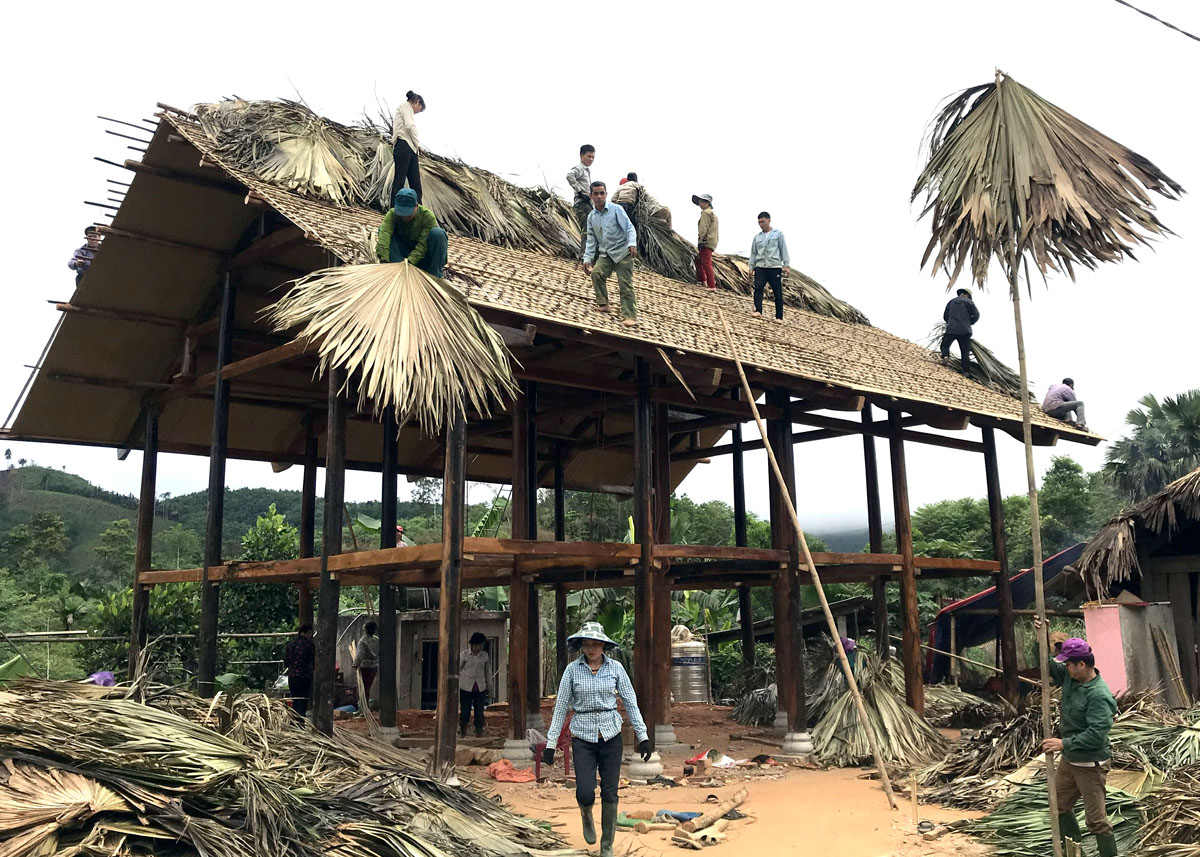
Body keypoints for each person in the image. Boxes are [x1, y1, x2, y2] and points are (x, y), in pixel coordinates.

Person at [543, 622, 652, 857]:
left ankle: (607, 845)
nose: (591, 649)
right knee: (584, 790)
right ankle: (586, 814)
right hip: (582, 735)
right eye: (587, 644)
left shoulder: (616, 669)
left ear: (603, 645)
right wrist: (551, 744)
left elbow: (630, 702)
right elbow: (560, 707)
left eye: (595, 644)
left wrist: (643, 736)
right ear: (581, 646)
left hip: (611, 734)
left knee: (610, 791)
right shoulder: (572, 671)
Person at [1033, 618, 1119, 857]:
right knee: (1058, 806)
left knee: (1097, 820)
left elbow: (1095, 735)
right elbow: (1049, 666)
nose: (1066, 669)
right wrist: (1042, 636)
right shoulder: (1072, 677)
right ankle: (1074, 852)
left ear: (1081, 664)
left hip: (1090, 764)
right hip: (1070, 761)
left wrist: (1063, 743)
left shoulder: (1099, 696)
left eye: (1069, 665)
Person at [582, 181, 640, 327]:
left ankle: (629, 315)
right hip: (606, 253)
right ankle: (603, 304)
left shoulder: (616, 209)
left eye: (602, 193)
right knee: (597, 273)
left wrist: (632, 243)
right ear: (591, 196)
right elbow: (591, 239)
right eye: (596, 194)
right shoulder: (591, 217)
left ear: (606, 194)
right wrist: (587, 258)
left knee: (625, 284)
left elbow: (629, 228)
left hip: (622, 252)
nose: (599, 196)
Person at [376, 188, 448, 277]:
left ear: (416, 206)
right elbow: (384, 235)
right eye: (401, 213)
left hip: (424, 258)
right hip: (402, 255)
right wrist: (384, 260)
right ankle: (394, 267)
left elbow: (423, 246)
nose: (404, 217)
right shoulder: (392, 215)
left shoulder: (428, 217)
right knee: (381, 230)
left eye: (408, 214)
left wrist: (409, 262)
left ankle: (435, 274)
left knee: (438, 234)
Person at [748, 212, 789, 322]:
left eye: (763, 221)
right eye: (759, 222)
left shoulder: (778, 234)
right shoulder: (757, 237)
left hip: (774, 266)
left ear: (769, 220)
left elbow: (783, 249)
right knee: (758, 288)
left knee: (777, 291)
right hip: (760, 266)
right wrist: (751, 267)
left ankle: (779, 316)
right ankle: (758, 310)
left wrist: (786, 265)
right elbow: (753, 253)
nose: (761, 224)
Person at [391, 90, 426, 203]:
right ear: (417, 102)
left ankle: (418, 209)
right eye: (419, 110)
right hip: (404, 145)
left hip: (411, 148)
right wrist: (418, 144)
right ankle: (394, 209)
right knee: (399, 180)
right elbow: (410, 126)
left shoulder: (407, 109)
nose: (416, 113)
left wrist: (415, 146)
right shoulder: (406, 106)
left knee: (416, 184)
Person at [940, 287, 979, 374]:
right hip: (965, 331)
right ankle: (965, 371)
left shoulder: (951, 302)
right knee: (965, 352)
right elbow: (976, 315)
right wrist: (970, 322)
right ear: (967, 295)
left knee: (945, 345)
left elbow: (945, 316)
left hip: (952, 329)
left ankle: (946, 356)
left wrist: (950, 322)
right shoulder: (969, 302)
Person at [459, 631, 490, 737]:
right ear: (474, 644)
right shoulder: (464, 655)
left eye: (482, 645)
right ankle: (463, 731)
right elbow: (457, 670)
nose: (481, 647)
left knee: (479, 712)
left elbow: (488, 673)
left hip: (480, 688)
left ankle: (479, 732)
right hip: (466, 687)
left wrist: (490, 688)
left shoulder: (484, 656)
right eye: (480, 645)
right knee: (465, 712)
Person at [283, 623, 315, 718]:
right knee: (303, 701)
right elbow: (313, 661)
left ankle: (294, 722)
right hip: (304, 677)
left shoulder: (291, 645)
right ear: (307, 633)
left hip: (292, 677)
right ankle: (300, 723)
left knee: (295, 700)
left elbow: (286, 662)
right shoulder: (309, 645)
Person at [567, 145, 596, 241]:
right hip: (582, 203)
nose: (591, 159)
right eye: (589, 156)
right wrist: (579, 192)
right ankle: (585, 255)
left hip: (587, 202)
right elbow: (570, 176)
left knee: (591, 229)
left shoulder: (587, 170)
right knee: (587, 230)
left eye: (593, 157)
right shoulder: (580, 168)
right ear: (581, 155)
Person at [693, 194, 718, 290]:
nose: (700, 204)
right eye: (700, 202)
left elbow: (703, 228)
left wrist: (701, 240)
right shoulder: (712, 214)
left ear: (708, 203)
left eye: (702, 202)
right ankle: (703, 280)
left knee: (706, 263)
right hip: (710, 240)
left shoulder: (706, 213)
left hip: (706, 241)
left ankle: (711, 285)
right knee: (699, 260)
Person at [352, 620, 380, 702]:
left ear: (365, 629)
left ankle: (364, 706)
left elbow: (360, 654)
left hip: (365, 666)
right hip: (374, 666)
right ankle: (365, 706)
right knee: (368, 687)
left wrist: (355, 664)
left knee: (363, 688)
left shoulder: (363, 641)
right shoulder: (377, 640)